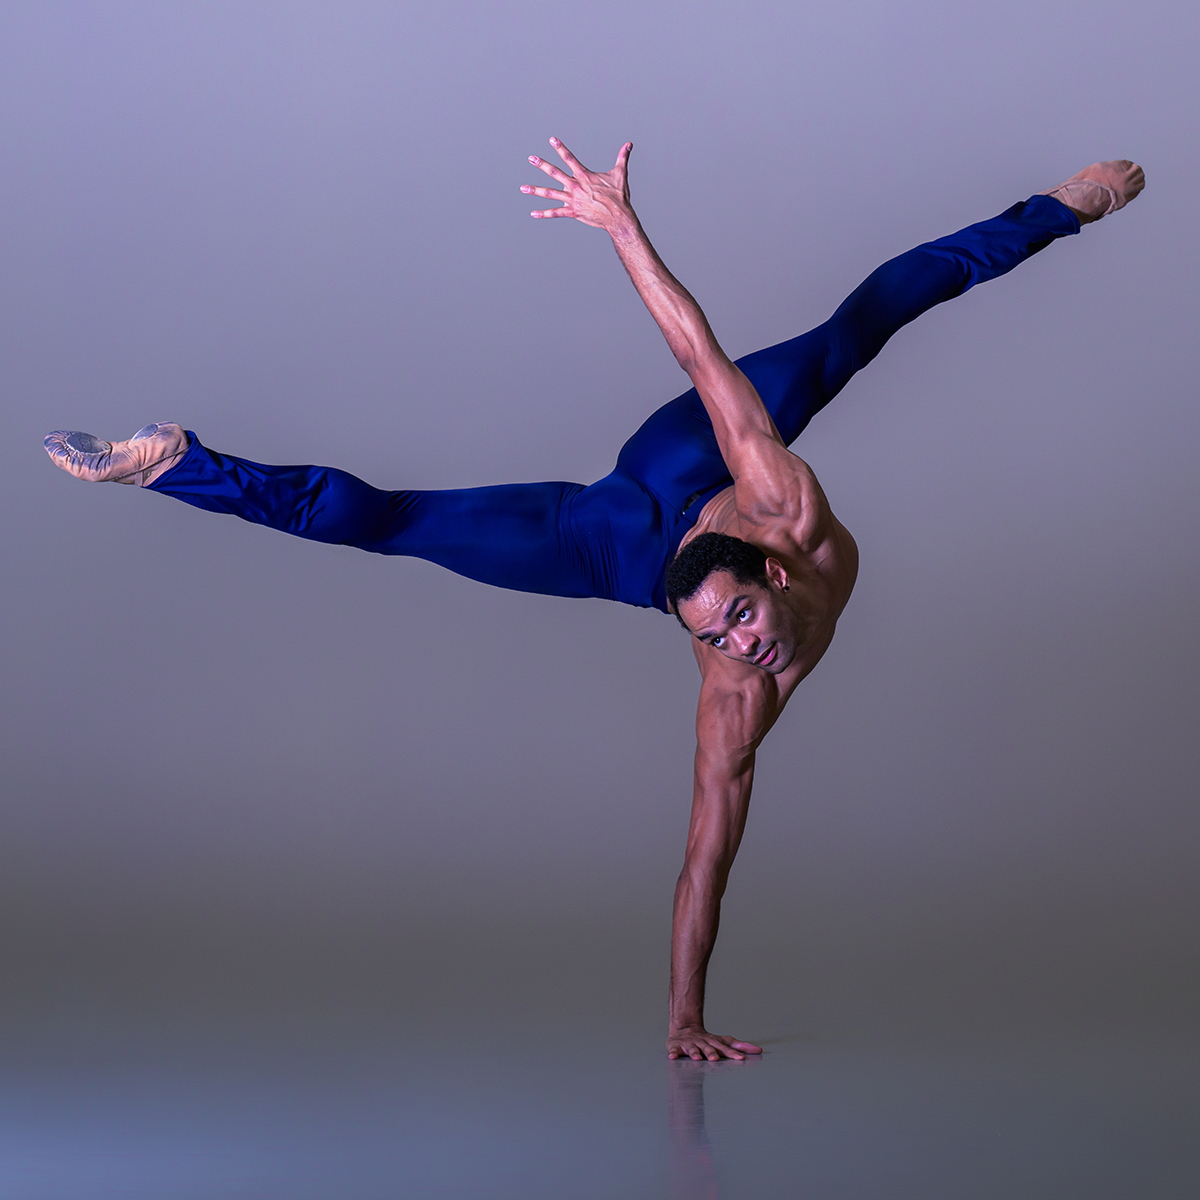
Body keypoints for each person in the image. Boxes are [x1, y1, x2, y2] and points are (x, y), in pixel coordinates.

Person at [44, 140, 1144, 1061]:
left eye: (740, 625)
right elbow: (704, 855)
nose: (742, 651)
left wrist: (622, 224)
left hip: (703, 474)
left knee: (864, 321)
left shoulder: (780, 503)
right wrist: (687, 1020)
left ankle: (1053, 209)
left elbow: (700, 354)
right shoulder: (733, 688)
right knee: (395, 524)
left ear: (771, 571)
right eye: (715, 639)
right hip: (629, 527)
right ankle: (178, 463)